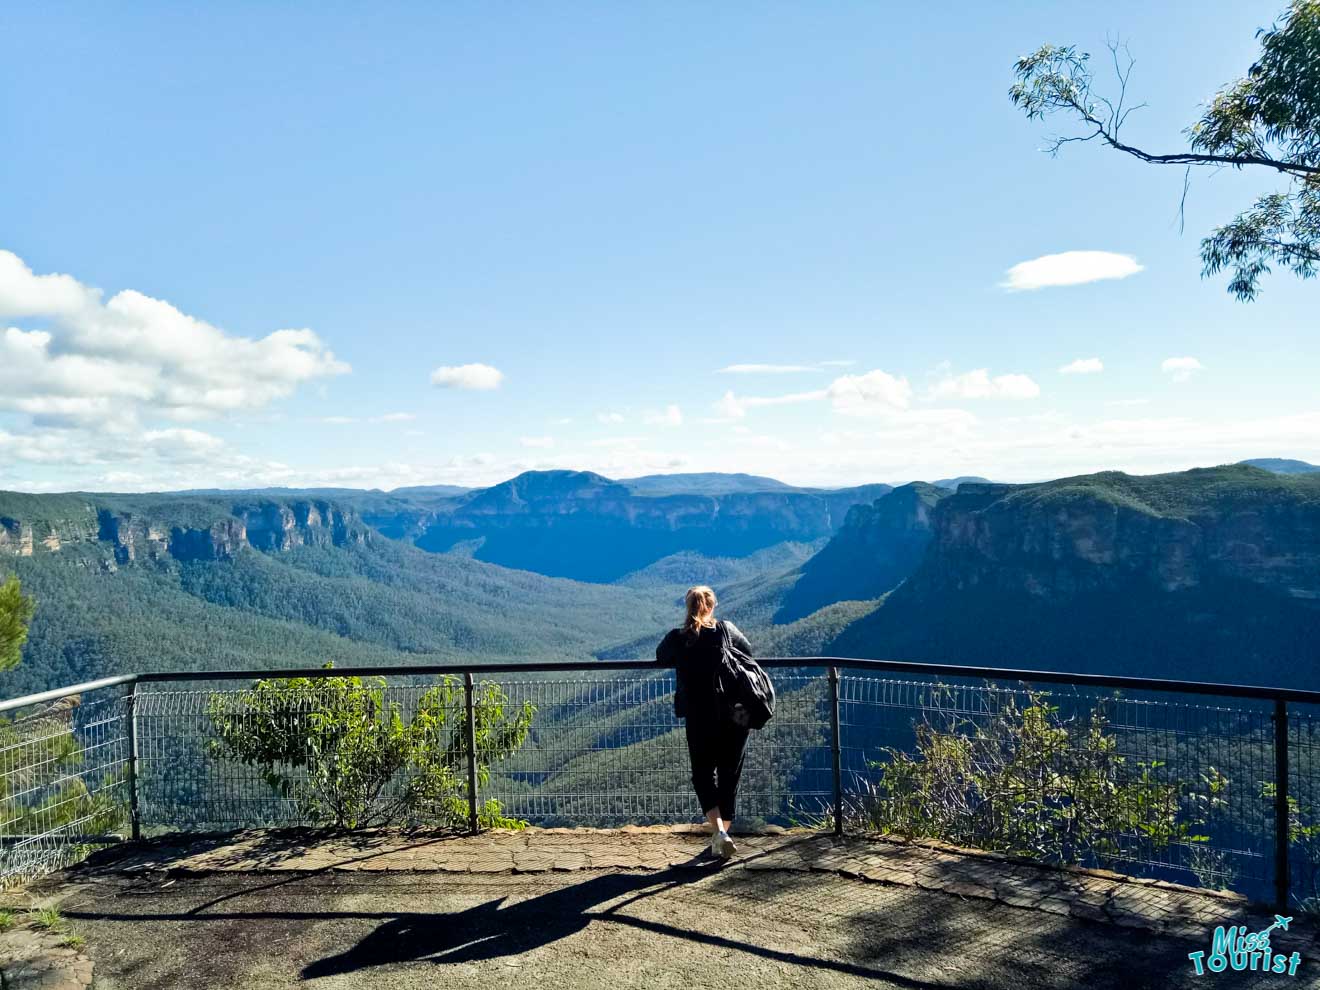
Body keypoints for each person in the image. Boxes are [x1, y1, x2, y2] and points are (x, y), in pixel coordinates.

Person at [656, 585, 754, 860]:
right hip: (736, 717)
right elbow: (748, 652)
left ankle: (719, 832)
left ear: (687, 608)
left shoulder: (679, 638)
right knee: (729, 776)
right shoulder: (726, 630)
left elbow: (660, 655)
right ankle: (722, 836)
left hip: (700, 717)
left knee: (702, 775)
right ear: (712, 607)